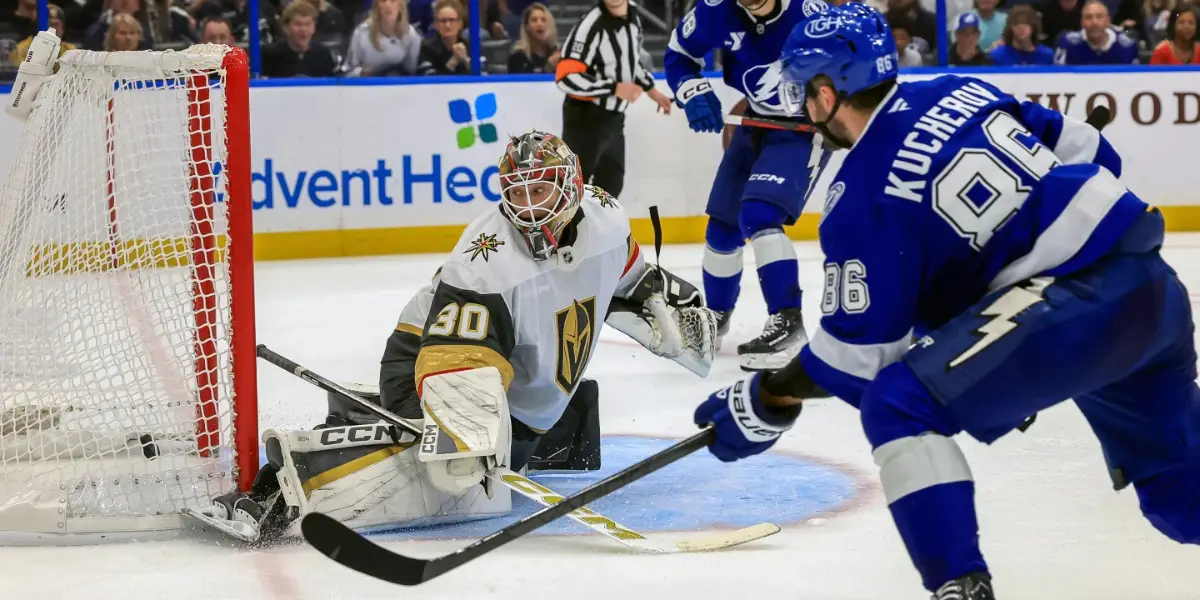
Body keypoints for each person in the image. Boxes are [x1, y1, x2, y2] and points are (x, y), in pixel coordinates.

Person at [693, 4, 1200, 599]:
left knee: (899, 405)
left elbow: (856, 361)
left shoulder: (859, 198)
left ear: (828, 94)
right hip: (1150, 285)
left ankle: (960, 587)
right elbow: (1094, 151)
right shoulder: (960, 89)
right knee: (1179, 499)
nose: (803, 107)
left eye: (805, 92)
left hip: (1072, 312)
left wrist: (767, 398)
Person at [192, 131, 719, 541]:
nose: (528, 208)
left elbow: (623, 276)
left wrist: (660, 303)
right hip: (426, 355)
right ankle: (281, 491)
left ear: (573, 187)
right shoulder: (484, 261)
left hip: (515, 387)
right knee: (452, 474)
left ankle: (364, 418)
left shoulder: (607, 217)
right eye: (517, 193)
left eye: (540, 190)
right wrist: (463, 435)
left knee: (493, 457)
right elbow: (454, 359)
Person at [663, 0, 827, 371]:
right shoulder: (716, 9)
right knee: (722, 229)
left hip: (803, 131)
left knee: (759, 214)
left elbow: (857, 73)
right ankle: (715, 319)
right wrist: (691, 89)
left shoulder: (812, 15)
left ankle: (788, 322)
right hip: (755, 122)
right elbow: (679, 53)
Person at [555, 0, 673, 199]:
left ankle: (596, 221)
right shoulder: (590, 25)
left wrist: (651, 90)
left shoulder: (633, 16)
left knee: (611, 186)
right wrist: (613, 88)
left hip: (614, 118)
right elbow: (566, 76)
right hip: (584, 117)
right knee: (573, 189)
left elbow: (629, 61)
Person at [1054, 0, 1139, 64]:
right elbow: (1058, 76)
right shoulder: (1068, 43)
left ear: (1108, 21)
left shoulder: (1127, 46)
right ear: (1082, 22)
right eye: (1088, 17)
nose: (1094, 22)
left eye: (1099, 17)